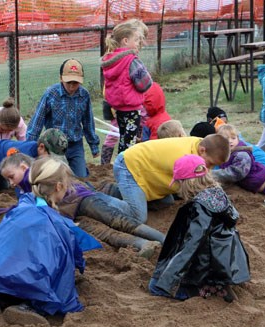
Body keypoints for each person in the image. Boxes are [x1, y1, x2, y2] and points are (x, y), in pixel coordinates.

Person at [0, 157, 102, 325]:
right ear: (59, 187)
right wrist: (72, 303)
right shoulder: (56, 223)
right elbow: (67, 263)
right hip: (26, 282)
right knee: (52, 288)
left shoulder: (21, 206)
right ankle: (28, 307)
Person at [0, 153, 165, 259]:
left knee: (115, 223)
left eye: (11, 177)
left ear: (23, 167)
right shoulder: (27, 186)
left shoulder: (37, 174)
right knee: (109, 229)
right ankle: (147, 243)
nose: (11, 183)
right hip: (71, 213)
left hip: (80, 200)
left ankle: (156, 240)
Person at [148, 154, 250, 302]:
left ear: (188, 182)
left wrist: (168, 280)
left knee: (155, 287)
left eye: (179, 183)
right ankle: (217, 283)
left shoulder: (199, 207)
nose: (178, 187)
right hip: (225, 262)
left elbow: (192, 244)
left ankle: (207, 289)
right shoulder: (217, 194)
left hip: (208, 265)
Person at [112, 134, 230, 224]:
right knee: (138, 216)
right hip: (129, 166)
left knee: (166, 202)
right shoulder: (183, 157)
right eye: (210, 163)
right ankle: (100, 199)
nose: (210, 168)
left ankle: (119, 192)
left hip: (147, 170)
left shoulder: (202, 145)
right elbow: (191, 191)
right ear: (202, 150)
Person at [25, 59, 100, 177]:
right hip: (54, 145)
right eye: (68, 82)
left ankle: (80, 169)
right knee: (59, 176)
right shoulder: (51, 94)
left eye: (75, 83)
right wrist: (29, 145)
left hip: (75, 144)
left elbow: (88, 122)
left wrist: (93, 146)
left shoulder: (84, 95)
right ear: (61, 78)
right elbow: (37, 122)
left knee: (80, 178)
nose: (71, 86)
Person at [101, 19, 153, 154]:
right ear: (125, 41)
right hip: (132, 109)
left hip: (118, 109)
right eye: (136, 40)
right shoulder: (132, 61)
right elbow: (145, 84)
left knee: (123, 140)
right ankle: (125, 168)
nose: (138, 43)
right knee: (130, 144)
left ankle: (120, 164)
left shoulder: (111, 60)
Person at [213, 124, 265, 200]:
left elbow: (236, 173)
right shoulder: (228, 153)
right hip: (256, 184)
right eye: (226, 139)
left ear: (238, 138)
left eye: (233, 138)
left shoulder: (242, 154)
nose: (230, 141)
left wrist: (213, 174)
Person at [207, 106, 265, 175]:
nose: (223, 125)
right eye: (219, 122)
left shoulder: (235, 144)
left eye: (225, 122)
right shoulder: (232, 138)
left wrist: (210, 174)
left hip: (264, 169)